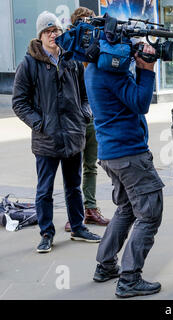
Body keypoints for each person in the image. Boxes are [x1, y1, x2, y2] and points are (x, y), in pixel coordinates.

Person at [12, 11, 102, 253]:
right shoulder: (29, 64)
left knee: (73, 186)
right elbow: (19, 102)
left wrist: (85, 114)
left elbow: (86, 95)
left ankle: (78, 227)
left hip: (73, 134)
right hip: (47, 139)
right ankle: (46, 233)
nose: (53, 35)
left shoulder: (72, 59)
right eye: (48, 31)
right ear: (40, 35)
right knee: (45, 190)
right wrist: (40, 124)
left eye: (56, 31)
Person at [85, 39, 164, 297]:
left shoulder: (93, 67)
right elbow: (140, 102)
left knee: (127, 208)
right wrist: (146, 70)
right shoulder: (112, 71)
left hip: (111, 152)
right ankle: (129, 278)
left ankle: (106, 265)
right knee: (149, 212)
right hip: (129, 153)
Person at [62, 7, 111, 233]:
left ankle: (90, 209)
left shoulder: (99, 47)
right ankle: (75, 214)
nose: (88, 25)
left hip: (94, 116)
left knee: (90, 166)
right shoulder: (69, 50)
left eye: (90, 21)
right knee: (73, 170)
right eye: (82, 22)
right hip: (74, 119)